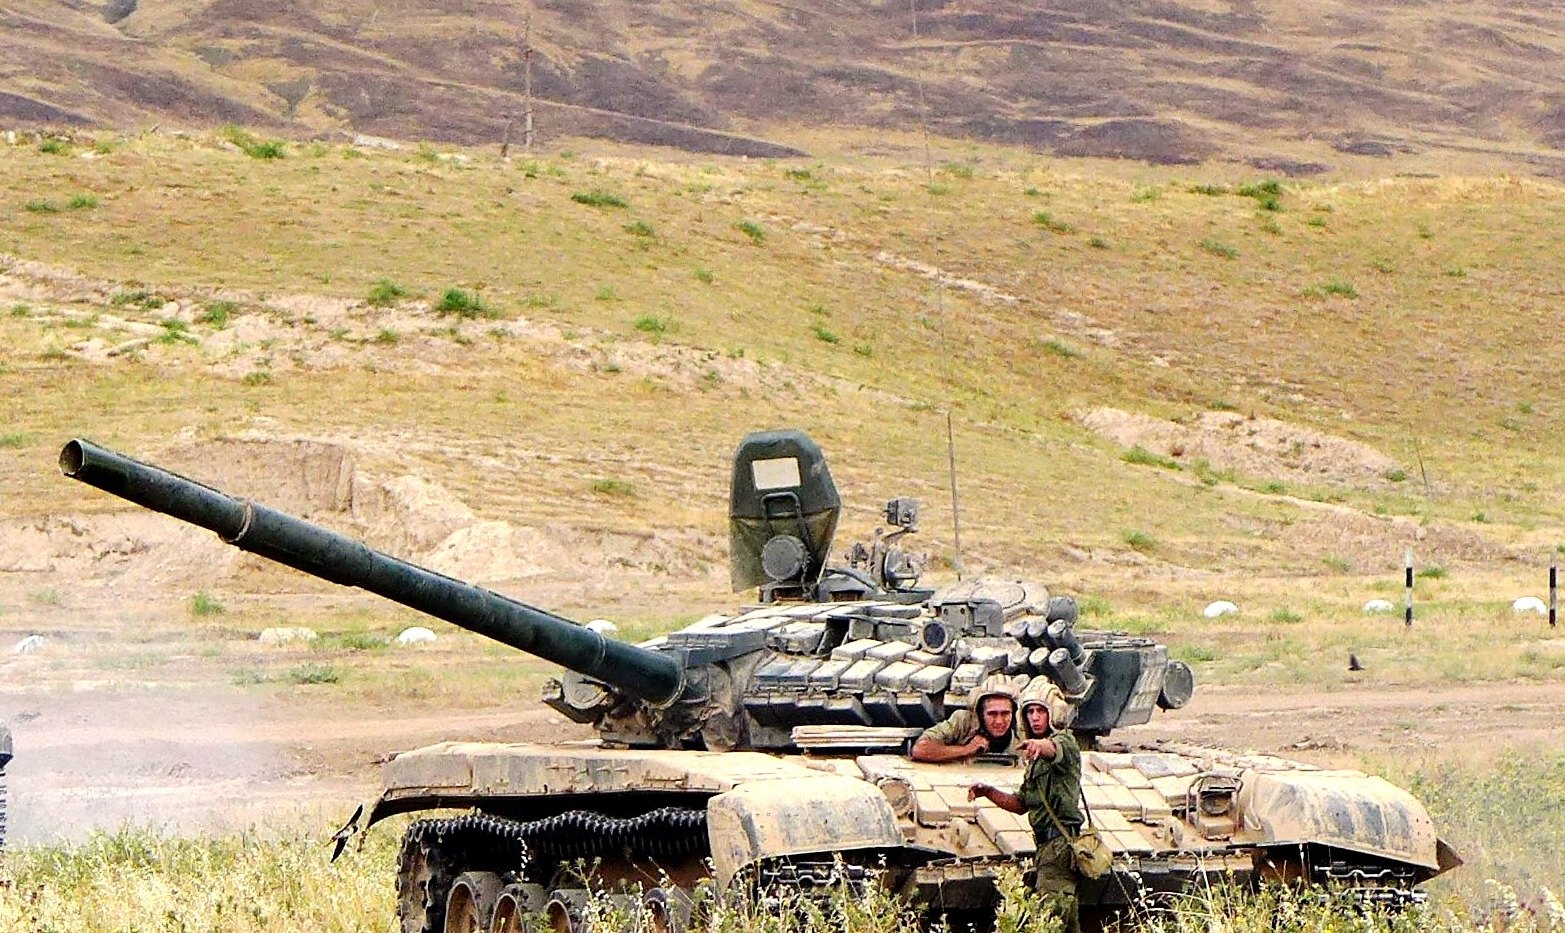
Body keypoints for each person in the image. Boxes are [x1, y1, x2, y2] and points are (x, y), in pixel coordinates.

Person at [966, 681, 1084, 933]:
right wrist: (989, 792)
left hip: (1060, 846)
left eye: (1041, 711)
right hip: (1046, 847)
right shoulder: (1035, 762)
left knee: (1049, 921)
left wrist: (1038, 745)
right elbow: (1021, 804)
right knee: (1065, 922)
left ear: (1054, 713)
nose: (1035, 717)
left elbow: (1053, 748)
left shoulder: (1065, 742)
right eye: (1030, 711)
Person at [909, 675, 1021, 762]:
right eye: (992, 714)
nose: (999, 721)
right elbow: (920, 749)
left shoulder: (1023, 728)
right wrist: (966, 749)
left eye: (1005, 714)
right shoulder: (963, 721)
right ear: (981, 714)